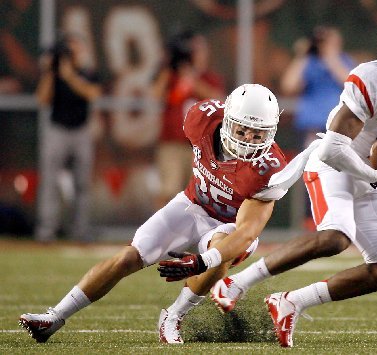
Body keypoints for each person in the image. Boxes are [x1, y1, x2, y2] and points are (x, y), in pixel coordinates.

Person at [204, 16, 377, 347]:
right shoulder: (373, 81)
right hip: (334, 166)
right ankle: (235, 283)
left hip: (368, 176)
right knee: (335, 239)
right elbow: (331, 150)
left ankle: (290, 302)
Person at [19, 84, 292, 344]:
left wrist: (202, 261)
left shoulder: (270, 168)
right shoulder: (202, 119)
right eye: (242, 130)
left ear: (272, 132)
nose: (248, 140)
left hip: (230, 225)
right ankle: (54, 317)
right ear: (227, 118)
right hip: (192, 205)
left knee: (220, 255)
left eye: (258, 134)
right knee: (128, 257)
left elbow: (246, 233)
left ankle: (173, 316)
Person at [34, 32, 101, 242]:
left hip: (81, 130)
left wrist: (70, 76)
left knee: (82, 184)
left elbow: (93, 94)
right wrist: (51, 72)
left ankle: (80, 230)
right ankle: (47, 229)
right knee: (50, 181)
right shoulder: (53, 74)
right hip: (57, 130)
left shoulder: (87, 71)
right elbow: (42, 99)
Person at [152, 30, 225, 208]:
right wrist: (168, 65)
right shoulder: (171, 76)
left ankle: (195, 233)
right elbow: (155, 95)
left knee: (200, 194)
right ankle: (160, 231)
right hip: (172, 143)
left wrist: (193, 80)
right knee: (168, 190)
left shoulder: (209, 78)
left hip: (201, 147)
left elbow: (219, 99)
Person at [281, 26, 356, 148]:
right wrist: (302, 55)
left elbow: (350, 84)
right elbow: (289, 86)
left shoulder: (344, 60)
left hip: (337, 124)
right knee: (312, 161)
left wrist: (331, 57)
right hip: (313, 124)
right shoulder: (308, 62)